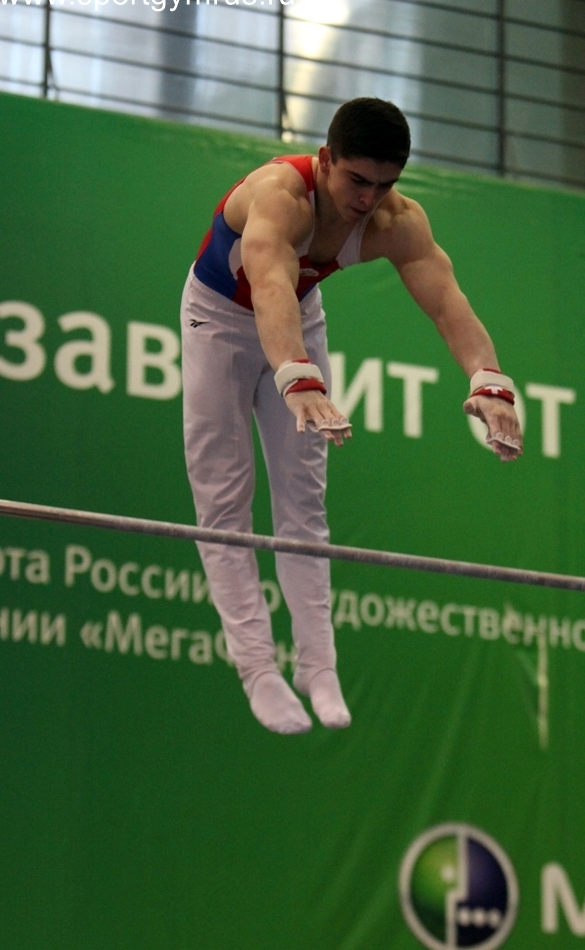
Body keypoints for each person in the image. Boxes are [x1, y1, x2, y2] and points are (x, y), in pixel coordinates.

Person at [181, 97, 522, 736]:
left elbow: (447, 302)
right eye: (358, 180)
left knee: (304, 503)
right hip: (218, 321)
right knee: (225, 500)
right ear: (326, 159)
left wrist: (489, 379)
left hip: (299, 320)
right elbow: (270, 285)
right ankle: (257, 667)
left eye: (385, 184)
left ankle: (318, 664)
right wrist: (296, 374)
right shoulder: (279, 196)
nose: (369, 199)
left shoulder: (398, 220)